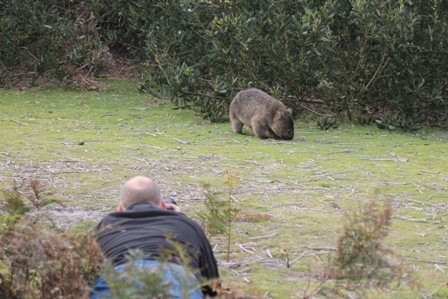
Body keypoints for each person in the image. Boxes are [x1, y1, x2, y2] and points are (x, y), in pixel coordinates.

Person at [90, 176, 220, 299]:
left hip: (118, 277)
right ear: (164, 205)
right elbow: (211, 284)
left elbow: (87, 275)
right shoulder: (188, 225)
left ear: (119, 210)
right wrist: (180, 218)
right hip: (175, 278)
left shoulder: (104, 226)